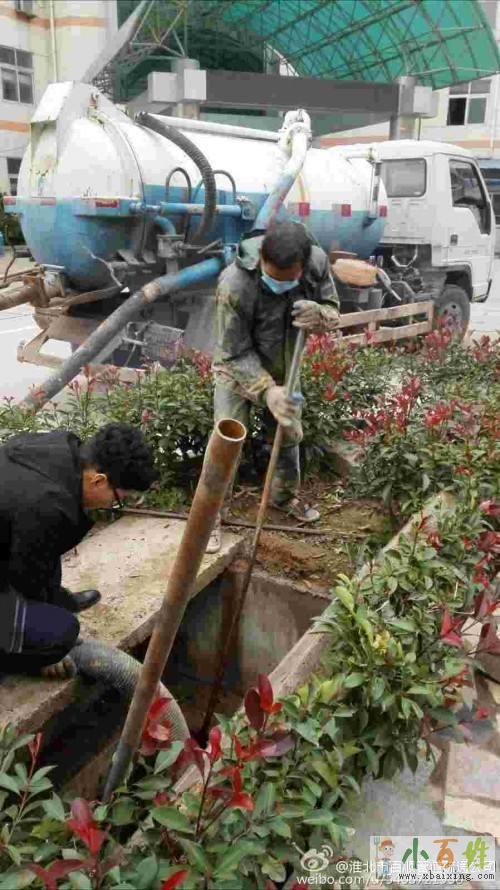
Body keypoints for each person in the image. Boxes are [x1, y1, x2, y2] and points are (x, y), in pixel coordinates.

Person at [208, 221, 340, 553]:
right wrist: (267, 391)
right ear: (262, 259)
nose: (278, 285)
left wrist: (320, 314)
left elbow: (333, 310)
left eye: (287, 280)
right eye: (272, 278)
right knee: (227, 439)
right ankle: (210, 516)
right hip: (236, 370)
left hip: (286, 367)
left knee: (289, 432)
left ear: (303, 266)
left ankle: (283, 498)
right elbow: (233, 352)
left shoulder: (317, 264)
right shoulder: (235, 284)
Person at [0, 422, 157, 679]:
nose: (114, 504)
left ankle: (54, 604)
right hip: (10, 569)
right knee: (63, 633)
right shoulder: (48, 505)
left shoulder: (62, 447)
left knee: (48, 545)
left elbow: (38, 552)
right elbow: (23, 579)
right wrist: (45, 651)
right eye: (120, 499)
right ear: (99, 480)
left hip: (7, 548)